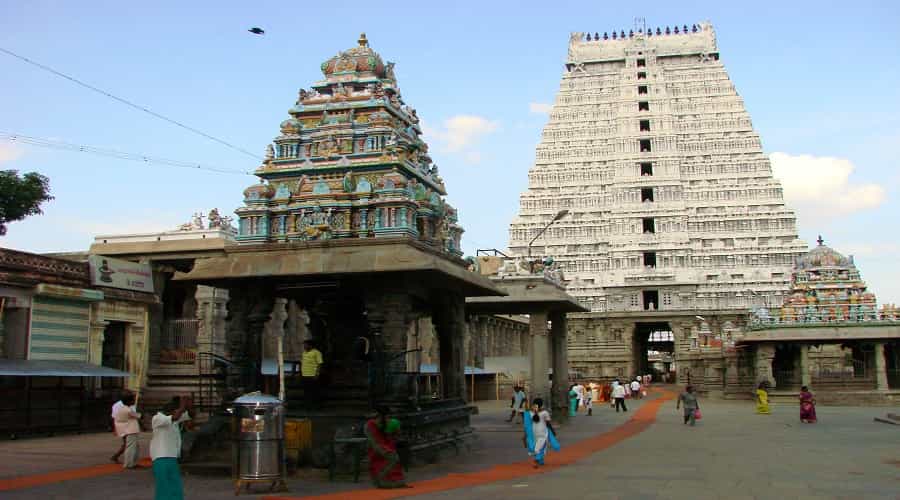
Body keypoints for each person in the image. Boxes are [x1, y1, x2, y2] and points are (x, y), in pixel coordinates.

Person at [150, 395, 192, 500]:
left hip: (172, 457)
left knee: (175, 485)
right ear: (171, 411)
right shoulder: (157, 418)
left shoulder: (173, 418)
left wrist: (188, 405)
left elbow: (190, 415)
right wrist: (182, 406)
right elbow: (176, 416)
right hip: (161, 457)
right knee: (164, 487)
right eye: (177, 410)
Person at [365, 406, 407, 488]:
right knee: (393, 459)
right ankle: (382, 478)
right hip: (381, 446)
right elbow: (397, 434)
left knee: (382, 462)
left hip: (380, 446)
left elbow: (376, 438)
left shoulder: (375, 423)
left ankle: (380, 480)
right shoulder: (371, 424)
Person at [522, 398, 559, 467]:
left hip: (534, 432)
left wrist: (525, 434)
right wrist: (553, 431)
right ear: (541, 404)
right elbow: (548, 424)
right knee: (541, 447)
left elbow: (527, 424)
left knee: (538, 446)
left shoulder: (530, 413)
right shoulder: (545, 413)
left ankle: (541, 461)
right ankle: (538, 458)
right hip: (543, 432)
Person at [113, 393, 142, 469]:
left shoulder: (121, 409)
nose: (134, 401)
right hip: (130, 430)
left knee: (134, 447)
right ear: (128, 401)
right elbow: (139, 416)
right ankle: (129, 464)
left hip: (127, 430)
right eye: (132, 400)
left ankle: (133, 462)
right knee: (131, 448)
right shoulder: (128, 410)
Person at [301, 340, 324, 408]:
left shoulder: (317, 352)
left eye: (306, 345)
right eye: (304, 345)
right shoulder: (304, 353)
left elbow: (320, 364)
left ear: (310, 345)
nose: (304, 346)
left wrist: (317, 374)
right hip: (305, 375)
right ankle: (307, 405)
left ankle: (316, 406)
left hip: (312, 375)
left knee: (314, 391)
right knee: (306, 391)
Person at [110, 393, 129, 463]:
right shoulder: (117, 406)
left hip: (126, 425)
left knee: (127, 442)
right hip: (122, 425)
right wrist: (114, 428)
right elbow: (114, 417)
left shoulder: (126, 405)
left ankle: (116, 456)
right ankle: (116, 456)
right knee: (128, 443)